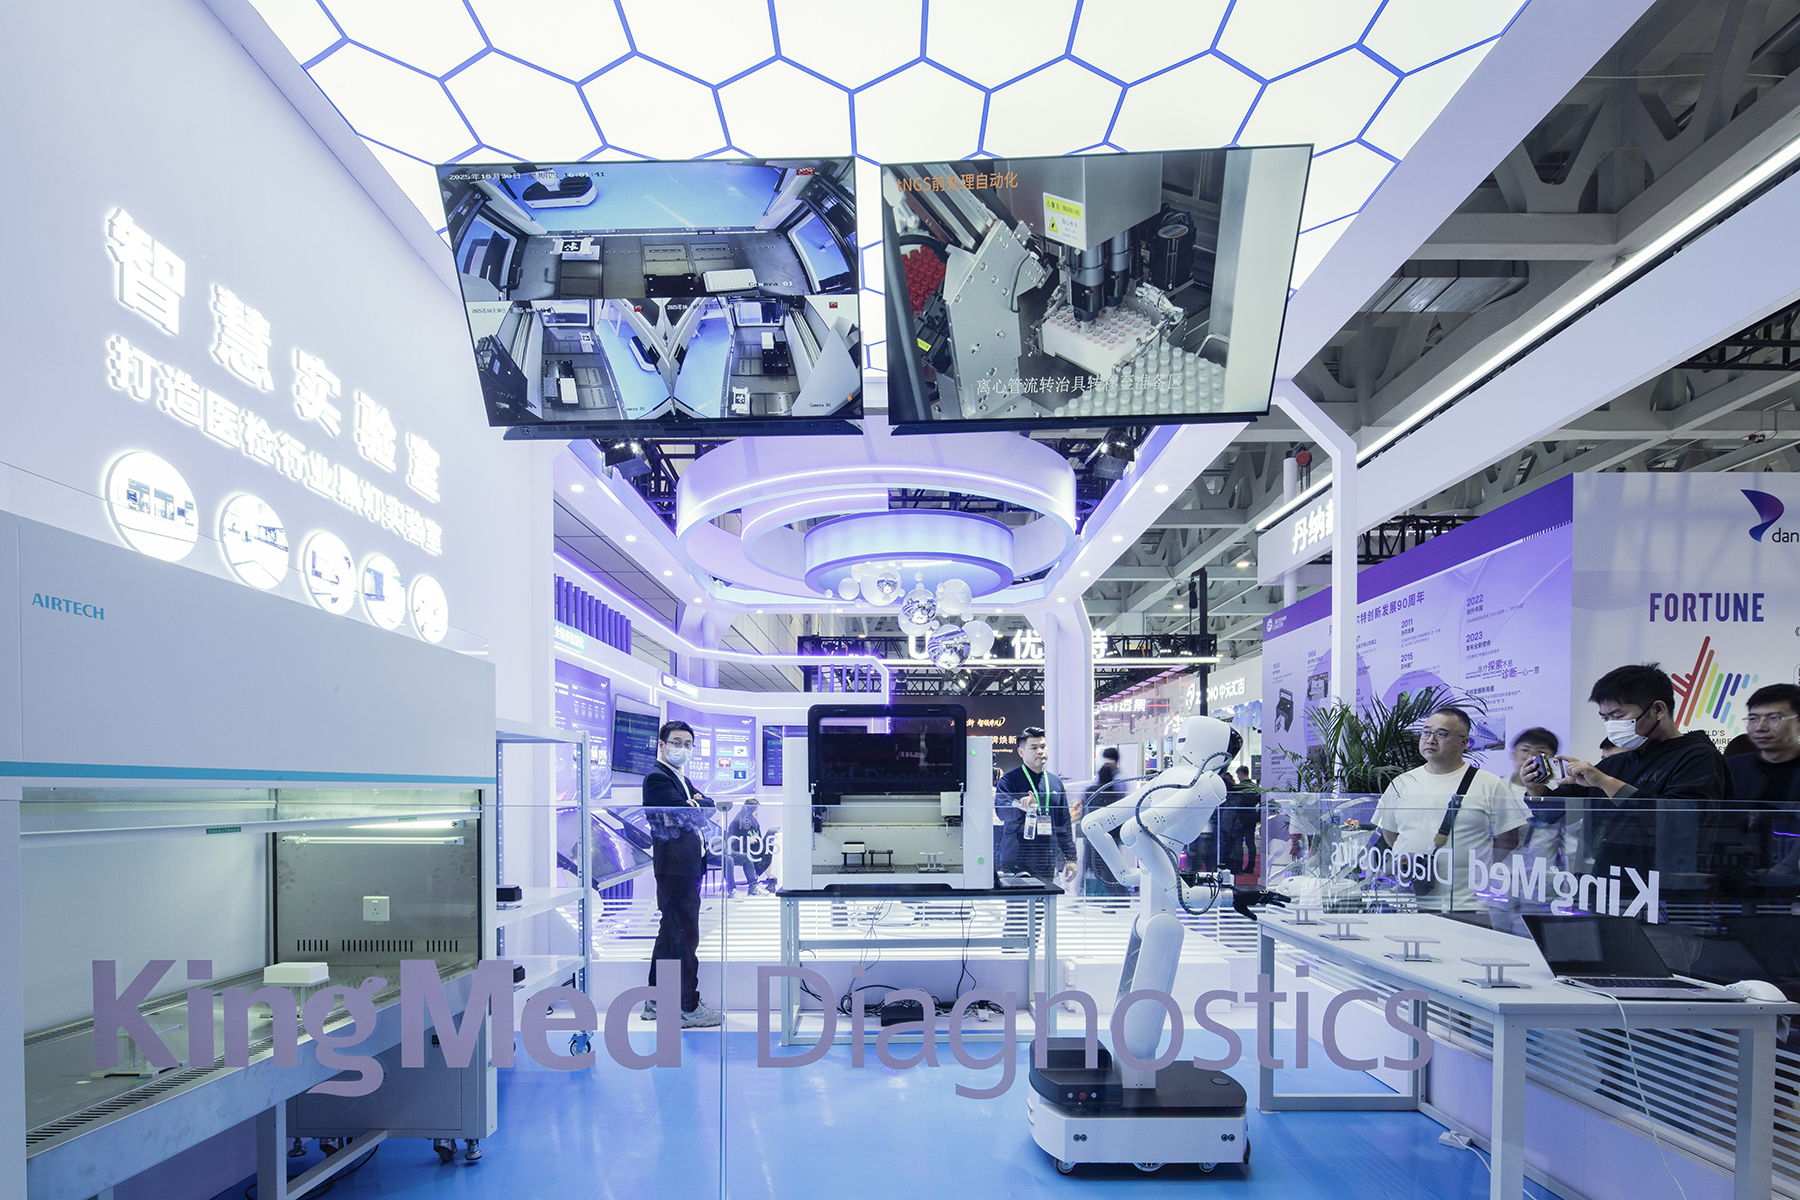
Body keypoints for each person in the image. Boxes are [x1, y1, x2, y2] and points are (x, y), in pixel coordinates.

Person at [1521, 663, 1729, 876]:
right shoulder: (1617, 763)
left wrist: (1606, 783)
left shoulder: (1698, 757)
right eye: (1605, 718)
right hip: (1606, 880)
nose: (1611, 725)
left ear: (1658, 710)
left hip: (1663, 883)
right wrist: (1536, 789)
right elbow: (1551, 815)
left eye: (1618, 716)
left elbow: (1681, 823)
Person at [1372, 707, 1527, 912]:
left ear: (1464, 743)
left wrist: (1474, 865)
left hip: (1465, 904)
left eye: (1441, 734)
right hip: (1407, 903)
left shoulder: (1489, 783)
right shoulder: (1402, 783)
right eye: (1426, 732)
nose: (1430, 740)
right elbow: (1391, 833)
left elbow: (1508, 839)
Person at [642, 720, 724, 1027]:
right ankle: (687, 1007)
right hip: (674, 868)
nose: (683, 749)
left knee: (670, 933)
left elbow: (708, 807)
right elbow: (689, 813)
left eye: (688, 744)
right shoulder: (657, 778)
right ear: (662, 745)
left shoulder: (680, 778)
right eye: (676, 743)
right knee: (685, 937)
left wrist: (695, 804)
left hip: (686, 866)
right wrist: (692, 806)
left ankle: (655, 1002)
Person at [996, 727, 1079, 886]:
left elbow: (1064, 823)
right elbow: (1001, 811)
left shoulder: (1055, 782)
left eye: (1043, 746)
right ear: (1021, 752)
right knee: (1018, 902)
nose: (1040, 751)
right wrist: (1021, 806)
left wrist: (1071, 858)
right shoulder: (1009, 780)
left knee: (1045, 901)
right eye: (1034, 748)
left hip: (1046, 858)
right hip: (1016, 858)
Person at [1506, 727, 1572, 869]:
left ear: (1552, 758)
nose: (1531, 757)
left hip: (1543, 873)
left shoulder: (1559, 792)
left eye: (1541, 752)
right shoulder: (1497, 786)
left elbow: (1571, 843)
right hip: (1500, 871)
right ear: (1513, 754)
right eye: (1525, 750)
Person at [1080, 748, 1127, 897]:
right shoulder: (1115, 790)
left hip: (1092, 833)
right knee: (1111, 866)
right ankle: (1118, 897)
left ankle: (1083, 893)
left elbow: (1084, 810)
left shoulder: (1091, 790)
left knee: (1089, 864)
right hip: (1111, 833)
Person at [723, 797, 768, 898]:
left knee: (766, 852)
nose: (757, 813)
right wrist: (748, 842)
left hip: (750, 848)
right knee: (748, 856)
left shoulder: (754, 822)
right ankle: (734, 889)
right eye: (756, 811)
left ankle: (755, 886)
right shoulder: (737, 822)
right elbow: (732, 841)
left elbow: (758, 836)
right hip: (736, 849)